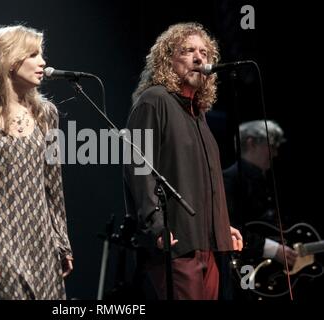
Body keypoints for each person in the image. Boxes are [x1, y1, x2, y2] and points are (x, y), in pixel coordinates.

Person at [123, 22, 242, 300]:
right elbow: (138, 167)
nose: (199, 58)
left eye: (204, 52)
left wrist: (221, 224)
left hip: (207, 244)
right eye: (188, 51)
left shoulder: (197, 113)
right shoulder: (155, 100)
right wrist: (156, 225)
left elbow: (201, 181)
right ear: (167, 59)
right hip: (176, 244)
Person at [0, 25, 73, 300]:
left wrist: (62, 242)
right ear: (9, 61)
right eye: (33, 54)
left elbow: (53, 185)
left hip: (41, 244)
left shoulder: (46, 114)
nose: (42, 62)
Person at [222, 120, 297, 299]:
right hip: (244, 273)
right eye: (271, 146)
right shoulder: (230, 180)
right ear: (251, 143)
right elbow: (229, 229)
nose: (276, 153)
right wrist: (273, 249)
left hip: (270, 273)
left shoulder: (268, 178)